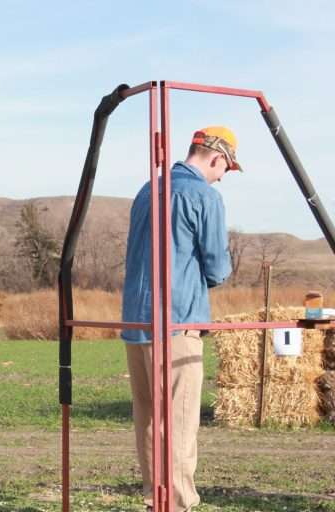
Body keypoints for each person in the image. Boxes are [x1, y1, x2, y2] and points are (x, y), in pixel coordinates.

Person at [121, 127, 239, 511]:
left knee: (150, 421)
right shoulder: (204, 195)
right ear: (216, 157)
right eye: (226, 168)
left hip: (138, 324)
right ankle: (179, 504)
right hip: (176, 323)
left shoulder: (147, 189)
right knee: (179, 421)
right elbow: (218, 268)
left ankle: (156, 501)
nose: (223, 176)